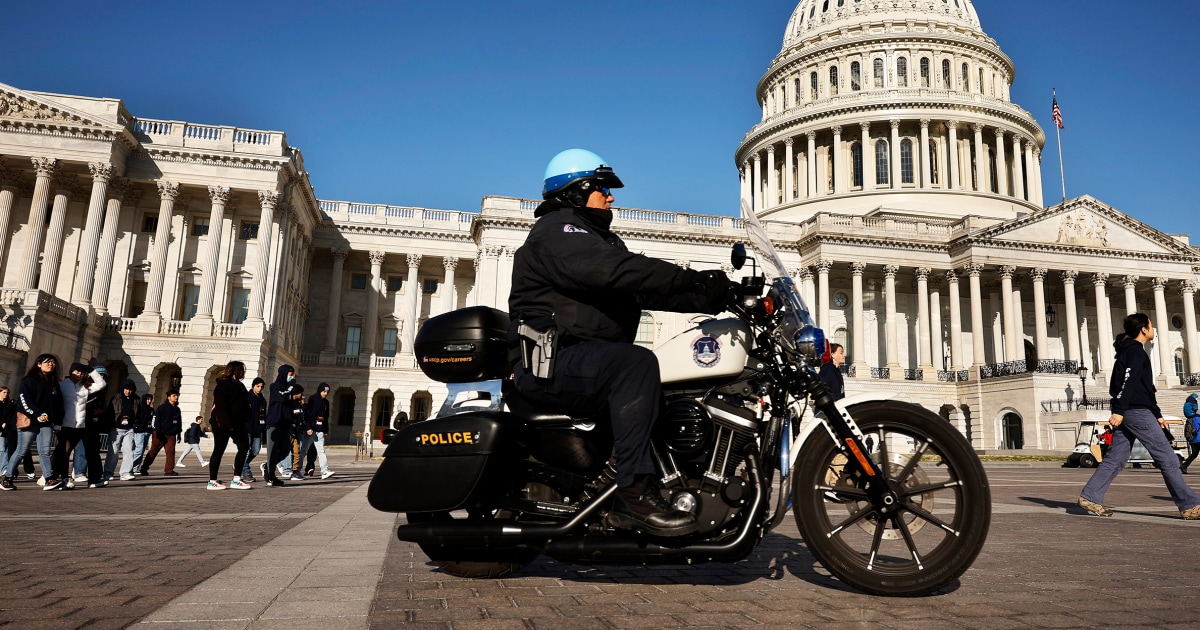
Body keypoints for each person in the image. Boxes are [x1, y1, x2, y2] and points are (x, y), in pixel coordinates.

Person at [507, 149, 732, 537]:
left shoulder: (598, 241)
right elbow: (618, 273)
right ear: (575, 192)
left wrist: (717, 296)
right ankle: (634, 493)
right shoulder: (559, 232)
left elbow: (644, 293)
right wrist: (690, 277)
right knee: (636, 363)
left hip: (582, 360)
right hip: (552, 363)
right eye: (602, 188)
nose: (611, 197)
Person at [1079, 314, 1200, 519]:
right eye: (1151, 326)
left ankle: (1090, 496)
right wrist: (1120, 410)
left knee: (1116, 459)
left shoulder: (1128, 352)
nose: (1153, 329)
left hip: (1134, 410)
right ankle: (1189, 505)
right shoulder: (1135, 351)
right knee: (1168, 459)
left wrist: (1157, 413)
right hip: (1135, 411)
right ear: (1144, 329)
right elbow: (1130, 381)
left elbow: (1142, 387)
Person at [5, 354, 65, 490]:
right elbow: (25, 401)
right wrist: (37, 414)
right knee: (21, 450)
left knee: (44, 451)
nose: (51, 364)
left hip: (46, 422)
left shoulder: (54, 383)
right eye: (47, 362)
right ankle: (7, 479)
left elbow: (59, 404)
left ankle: (49, 479)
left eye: (53, 363)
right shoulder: (28, 380)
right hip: (29, 421)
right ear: (39, 364)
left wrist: (58, 422)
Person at [51, 362, 107, 489]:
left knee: (91, 450)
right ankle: (58, 478)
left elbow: (102, 384)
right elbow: (56, 405)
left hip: (80, 425)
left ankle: (94, 479)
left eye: (82, 372)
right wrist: (56, 424)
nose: (79, 374)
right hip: (66, 425)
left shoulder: (85, 387)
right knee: (63, 452)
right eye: (77, 371)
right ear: (71, 372)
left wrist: (91, 370)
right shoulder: (62, 385)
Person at [208, 361, 252, 490]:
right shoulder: (222, 385)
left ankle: (237, 479)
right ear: (234, 370)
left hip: (238, 423)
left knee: (244, 447)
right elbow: (220, 406)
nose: (243, 372)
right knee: (218, 450)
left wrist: (247, 416)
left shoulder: (240, 385)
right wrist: (226, 424)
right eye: (241, 370)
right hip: (222, 423)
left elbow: (245, 404)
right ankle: (212, 481)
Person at [263, 365, 298, 487]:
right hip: (274, 423)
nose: (291, 377)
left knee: (285, 451)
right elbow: (282, 397)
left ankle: (267, 467)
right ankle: (271, 476)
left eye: (292, 374)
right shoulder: (274, 386)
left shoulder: (289, 388)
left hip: (285, 424)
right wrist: (291, 385)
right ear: (283, 373)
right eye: (289, 374)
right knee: (272, 451)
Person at [139, 390, 183, 476]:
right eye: (174, 395)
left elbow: (179, 422)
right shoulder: (162, 407)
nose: (176, 397)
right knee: (153, 451)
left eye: (177, 396)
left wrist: (179, 433)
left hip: (171, 435)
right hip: (159, 433)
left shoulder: (177, 409)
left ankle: (169, 470)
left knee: (171, 452)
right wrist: (157, 431)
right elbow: (156, 419)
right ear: (169, 397)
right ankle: (144, 468)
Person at [105, 380, 142, 481]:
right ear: (123, 389)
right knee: (113, 451)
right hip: (116, 428)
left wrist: (135, 425)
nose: (128, 391)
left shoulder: (136, 400)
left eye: (130, 389)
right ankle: (108, 473)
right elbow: (109, 412)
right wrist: (111, 425)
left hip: (129, 429)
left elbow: (138, 414)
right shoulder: (116, 398)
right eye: (126, 389)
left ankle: (125, 472)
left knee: (129, 450)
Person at [303, 383, 335, 480]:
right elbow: (307, 415)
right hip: (311, 430)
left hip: (320, 431)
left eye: (327, 392)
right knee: (303, 451)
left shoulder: (326, 403)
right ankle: (296, 470)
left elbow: (326, 418)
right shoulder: (313, 400)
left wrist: (325, 430)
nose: (325, 393)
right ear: (319, 390)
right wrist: (308, 427)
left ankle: (324, 471)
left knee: (321, 451)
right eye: (324, 391)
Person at [244, 377, 266, 482]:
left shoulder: (263, 400)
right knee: (246, 451)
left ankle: (242, 464)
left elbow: (263, 416)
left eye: (261, 387)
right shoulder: (247, 397)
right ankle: (246, 471)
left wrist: (263, 429)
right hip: (247, 429)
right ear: (253, 386)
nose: (259, 389)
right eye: (257, 386)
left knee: (256, 450)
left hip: (258, 429)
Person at [130, 393, 154, 474]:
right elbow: (134, 418)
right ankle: (129, 466)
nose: (149, 401)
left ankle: (135, 468)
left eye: (150, 399)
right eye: (148, 399)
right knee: (139, 449)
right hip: (139, 431)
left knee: (142, 450)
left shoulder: (151, 410)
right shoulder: (139, 408)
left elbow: (152, 420)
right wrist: (136, 427)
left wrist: (150, 429)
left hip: (147, 431)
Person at [1184, 393, 1200, 474]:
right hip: (1198, 439)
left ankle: (1184, 466)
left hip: (1192, 439)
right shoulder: (1197, 418)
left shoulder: (1189, 420)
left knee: (1194, 454)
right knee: (1194, 454)